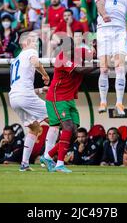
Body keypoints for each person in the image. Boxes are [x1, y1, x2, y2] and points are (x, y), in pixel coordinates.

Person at [40, 38, 95, 173]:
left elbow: (92, 53)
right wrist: (99, 65)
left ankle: (47, 156)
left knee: (74, 134)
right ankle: (59, 164)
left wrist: (95, 49)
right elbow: (80, 70)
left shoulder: (78, 52)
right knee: (68, 127)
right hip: (57, 97)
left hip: (69, 98)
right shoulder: (61, 58)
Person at [8, 32, 50, 171]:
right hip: (24, 96)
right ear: (25, 43)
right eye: (34, 41)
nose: (36, 44)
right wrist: (44, 74)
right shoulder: (29, 52)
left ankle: (24, 164)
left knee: (35, 128)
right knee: (56, 120)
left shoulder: (15, 60)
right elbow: (35, 62)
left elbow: (20, 84)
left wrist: (39, 90)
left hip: (14, 98)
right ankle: (49, 157)